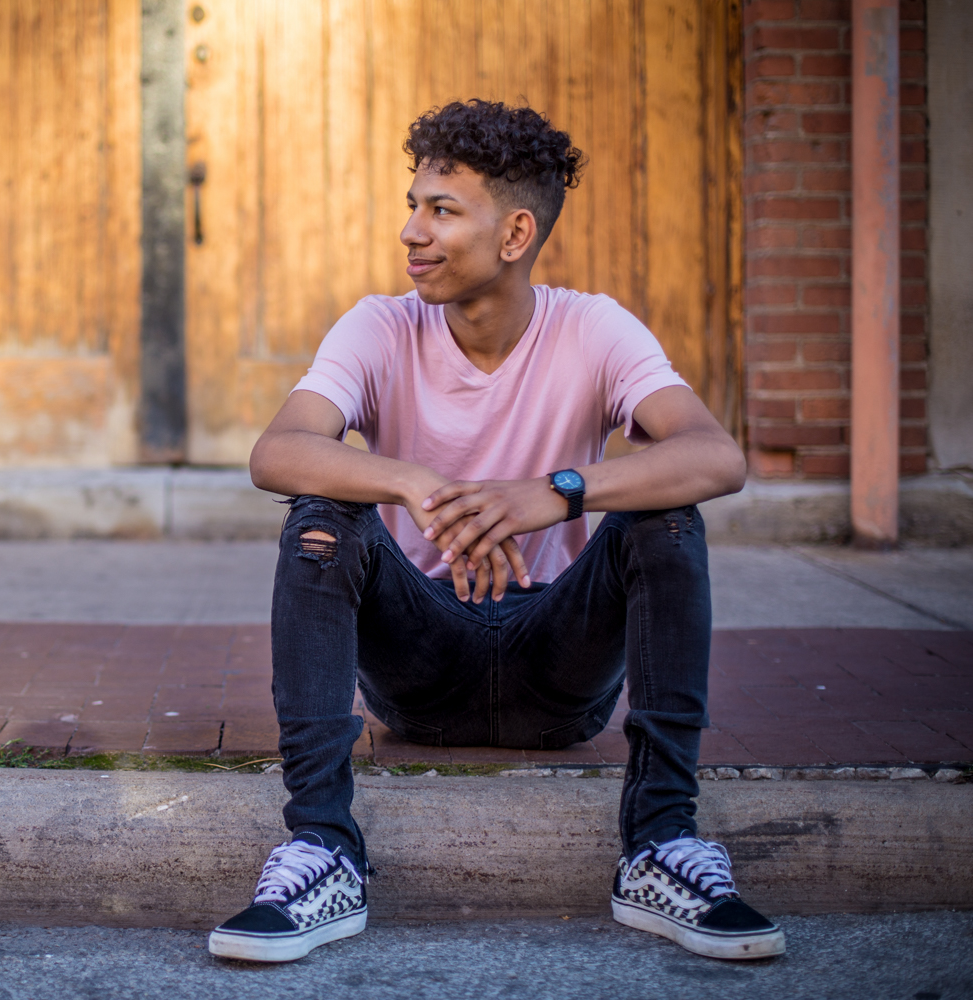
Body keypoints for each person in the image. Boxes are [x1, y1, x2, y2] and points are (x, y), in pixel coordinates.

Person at [207, 99, 784, 965]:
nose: (411, 232)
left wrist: (556, 493)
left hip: (559, 663)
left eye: (441, 211)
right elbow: (277, 451)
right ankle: (323, 850)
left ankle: (660, 846)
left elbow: (715, 455)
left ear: (515, 234)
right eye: (412, 205)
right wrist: (413, 481)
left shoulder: (592, 327)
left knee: (663, 513)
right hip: (421, 663)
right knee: (324, 516)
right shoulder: (380, 325)